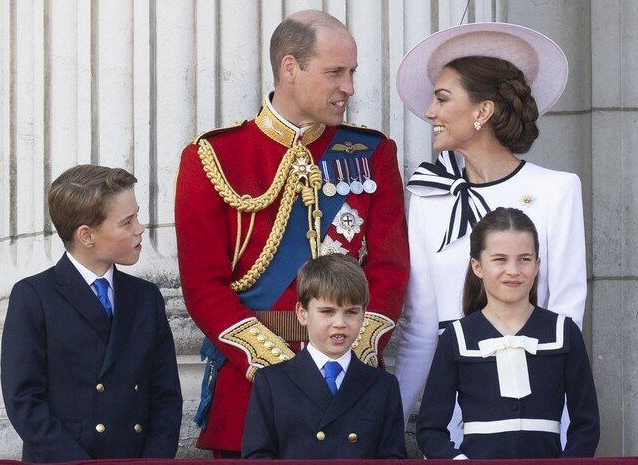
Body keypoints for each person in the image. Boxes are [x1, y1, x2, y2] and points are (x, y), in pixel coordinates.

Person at [174, 9, 410, 457]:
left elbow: (389, 270)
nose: (350, 87)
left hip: (349, 388)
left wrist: (343, 355)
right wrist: (283, 370)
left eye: (352, 72)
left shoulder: (372, 153)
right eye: (335, 72)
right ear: (289, 68)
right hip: (252, 387)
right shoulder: (213, 157)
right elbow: (204, 287)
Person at [393, 22, 587, 449]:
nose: (429, 112)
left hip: (534, 409)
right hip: (454, 409)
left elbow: (567, 318)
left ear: (482, 112)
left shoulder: (558, 190)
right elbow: (422, 328)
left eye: (442, 99)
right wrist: (388, 425)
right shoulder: (429, 196)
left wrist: (567, 434)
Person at [0, 165, 183, 462]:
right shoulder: (34, 297)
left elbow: (166, 397)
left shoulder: (146, 297)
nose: (140, 229)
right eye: (127, 222)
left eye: (136, 216)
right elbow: (24, 401)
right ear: (86, 235)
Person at [416, 207, 599, 459]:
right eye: (500, 259)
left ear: (537, 265)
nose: (513, 270)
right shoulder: (456, 337)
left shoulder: (564, 332)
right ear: (477, 266)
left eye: (524, 259)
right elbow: (429, 430)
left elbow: (587, 425)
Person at [241, 254, 407, 459]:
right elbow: (258, 457)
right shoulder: (272, 382)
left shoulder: (383, 385)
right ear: (302, 314)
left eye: (351, 312)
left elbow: (393, 459)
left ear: (364, 314)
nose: (340, 323)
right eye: (327, 311)